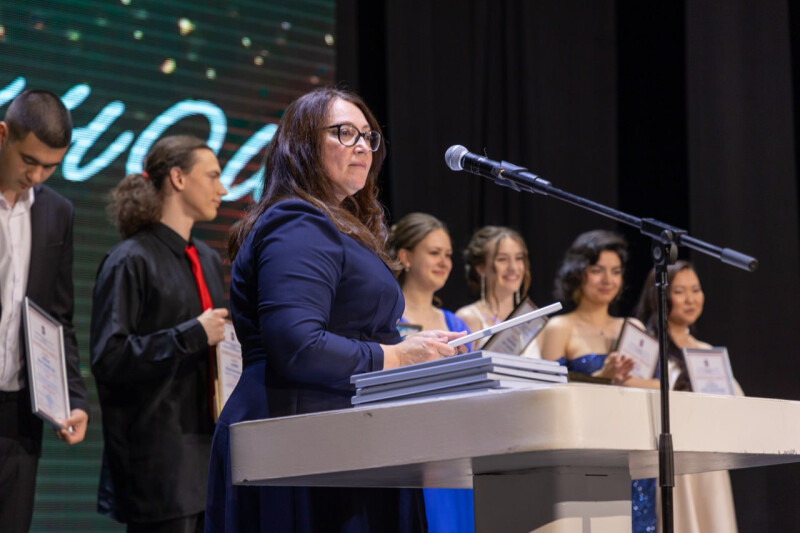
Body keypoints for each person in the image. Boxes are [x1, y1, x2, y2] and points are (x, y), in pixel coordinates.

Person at [205, 87, 463, 532]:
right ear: (302, 144)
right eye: (344, 133)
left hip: (336, 437)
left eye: (368, 136)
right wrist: (398, 356)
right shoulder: (297, 221)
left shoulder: (333, 224)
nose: (362, 145)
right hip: (298, 438)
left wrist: (413, 350)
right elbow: (298, 345)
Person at [90, 135, 229, 531]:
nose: (223, 189)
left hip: (209, 453)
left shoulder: (205, 257)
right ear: (178, 179)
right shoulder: (130, 260)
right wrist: (191, 335)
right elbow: (109, 358)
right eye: (213, 176)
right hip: (160, 464)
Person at [0, 89, 89, 533]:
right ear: (3, 135)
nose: (36, 176)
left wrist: (72, 398)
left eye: (50, 167)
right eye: (29, 161)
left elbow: (58, 315)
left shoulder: (57, 212)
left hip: (19, 413)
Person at [537, 230, 654, 531]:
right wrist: (603, 377)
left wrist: (624, 381)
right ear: (578, 273)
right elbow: (549, 394)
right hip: (582, 448)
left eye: (615, 271)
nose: (608, 280)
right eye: (597, 270)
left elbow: (658, 386)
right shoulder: (560, 327)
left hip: (631, 446)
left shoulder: (632, 326)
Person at [634, 260, 739, 532]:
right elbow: (628, 389)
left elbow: (735, 401)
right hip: (671, 460)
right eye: (680, 291)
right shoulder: (648, 345)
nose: (691, 299)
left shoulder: (707, 351)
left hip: (708, 460)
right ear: (659, 295)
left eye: (696, 290)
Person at [387, 212, 474, 533]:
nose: (444, 262)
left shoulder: (455, 322)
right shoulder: (387, 317)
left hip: (455, 444)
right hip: (407, 445)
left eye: (448, 255)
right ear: (406, 256)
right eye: (434, 253)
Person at [455, 226, 532, 351]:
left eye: (519, 258)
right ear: (481, 268)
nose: (513, 267)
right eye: (502, 259)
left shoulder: (532, 319)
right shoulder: (470, 317)